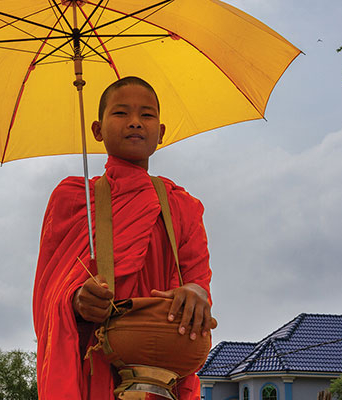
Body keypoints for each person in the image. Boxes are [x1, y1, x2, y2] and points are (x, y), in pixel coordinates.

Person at [33, 76, 213, 399]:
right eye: (120, 114)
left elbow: (198, 280)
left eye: (146, 114)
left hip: (160, 371)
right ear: (97, 131)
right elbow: (47, 297)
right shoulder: (73, 199)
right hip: (94, 366)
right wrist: (77, 301)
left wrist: (195, 294)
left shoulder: (182, 206)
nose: (134, 123)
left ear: (160, 132)